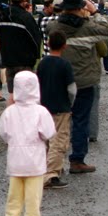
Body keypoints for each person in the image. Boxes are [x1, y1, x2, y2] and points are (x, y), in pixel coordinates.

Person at [47, 0, 108, 174]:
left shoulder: (54, 27)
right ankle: (77, 160)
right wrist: (95, 11)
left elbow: (49, 28)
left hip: (60, 80)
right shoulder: (88, 27)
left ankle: (54, 161)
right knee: (81, 120)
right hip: (84, 81)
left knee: (58, 121)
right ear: (81, 8)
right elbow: (105, 30)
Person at [0, 72, 56, 216]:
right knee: (33, 196)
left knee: (14, 196)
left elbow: (3, 132)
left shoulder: (10, 111)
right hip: (34, 160)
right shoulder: (40, 111)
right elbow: (48, 132)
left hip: (15, 159)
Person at [37, 31, 75, 189]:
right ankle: (51, 174)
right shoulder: (65, 65)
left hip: (44, 106)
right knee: (58, 141)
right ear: (64, 45)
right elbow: (72, 89)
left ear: (48, 44)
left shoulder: (42, 63)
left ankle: (44, 167)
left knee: (45, 140)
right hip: (61, 107)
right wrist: (70, 103)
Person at [0, 0, 43, 103]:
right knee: (26, 96)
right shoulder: (26, 17)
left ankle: (11, 117)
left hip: (8, 61)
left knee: (12, 95)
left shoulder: (3, 16)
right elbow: (36, 38)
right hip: (24, 62)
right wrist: (35, 56)